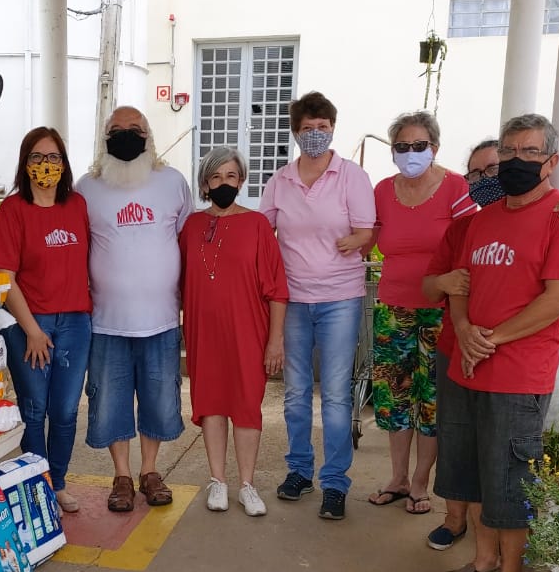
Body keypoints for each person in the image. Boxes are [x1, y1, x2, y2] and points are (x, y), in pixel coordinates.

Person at [431, 113, 559, 572]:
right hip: (467, 367)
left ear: (551, 161)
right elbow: (459, 286)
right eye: (509, 150)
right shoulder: (484, 219)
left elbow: (558, 299)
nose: (516, 160)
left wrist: (492, 338)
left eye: (529, 152)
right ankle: (483, 563)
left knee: (509, 481)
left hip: (518, 374)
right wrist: (463, 329)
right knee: (473, 474)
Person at [260, 91, 375, 520]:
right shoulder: (281, 180)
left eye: (322, 127)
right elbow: (260, 232)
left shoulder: (351, 176)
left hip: (340, 299)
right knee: (294, 393)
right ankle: (299, 471)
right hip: (293, 300)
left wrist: (356, 239)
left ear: (333, 128)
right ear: (295, 132)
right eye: (307, 129)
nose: (315, 135)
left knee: (335, 396)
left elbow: (368, 229)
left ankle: (334, 483)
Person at [76, 106, 193, 513]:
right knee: (109, 401)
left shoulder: (172, 183)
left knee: (160, 399)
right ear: (105, 137)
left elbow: (187, 244)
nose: (126, 135)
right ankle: (122, 475)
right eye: (116, 129)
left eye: (134, 129)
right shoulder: (87, 188)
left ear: (149, 136)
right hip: (107, 321)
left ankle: (149, 470)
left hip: (161, 318)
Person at [367, 111, 478, 519]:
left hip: (441, 310)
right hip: (393, 308)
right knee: (394, 397)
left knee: (431, 402)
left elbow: (470, 244)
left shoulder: (455, 187)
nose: (410, 153)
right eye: (401, 146)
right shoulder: (381, 191)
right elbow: (368, 237)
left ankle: (420, 482)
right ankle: (397, 478)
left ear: (434, 147)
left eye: (419, 146)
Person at [0, 126, 91, 513]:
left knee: (65, 410)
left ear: (63, 164)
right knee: (34, 408)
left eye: (53, 158)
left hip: (76, 323)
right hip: (28, 324)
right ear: (24, 163)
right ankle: (37, 485)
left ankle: (57, 482)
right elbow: (4, 278)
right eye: (36, 158)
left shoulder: (77, 206)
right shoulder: (14, 210)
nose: (45, 166)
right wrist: (31, 330)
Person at [179, 147, 288, 516]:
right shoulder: (191, 226)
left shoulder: (257, 225)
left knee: (245, 403)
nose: (223, 183)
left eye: (230, 176)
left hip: (247, 330)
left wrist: (275, 340)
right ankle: (217, 481)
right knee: (210, 402)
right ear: (205, 184)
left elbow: (277, 288)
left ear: (241, 181)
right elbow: (178, 278)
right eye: (215, 177)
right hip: (203, 330)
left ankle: (246, 483)